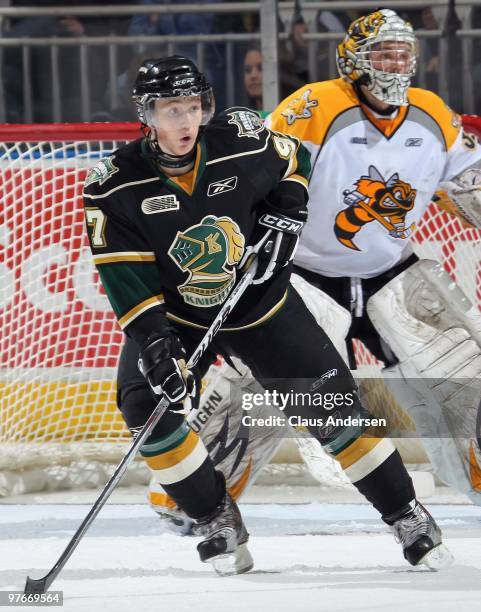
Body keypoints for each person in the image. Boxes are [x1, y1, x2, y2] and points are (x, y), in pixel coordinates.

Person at [83, 55, 452, 575]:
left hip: (262, 304)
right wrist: (157, 346)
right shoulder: (114, 185)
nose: (186, 121)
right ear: (146, 114)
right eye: (171, 110)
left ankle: (407, 515)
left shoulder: (241, 140)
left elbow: (293, 161)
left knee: (331, 407)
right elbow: (128, 281)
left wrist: (290, 204)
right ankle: (217, 519)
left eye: (192, 107)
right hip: (181, 318)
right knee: (145, 403)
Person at [266, 9, 481, 504]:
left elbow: (467, 178)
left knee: (461, 378)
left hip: (390, 271)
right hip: (307, 272)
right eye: (383, 53)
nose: (395, 63)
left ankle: (476, 476)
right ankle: (196, 498)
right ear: (354, 61)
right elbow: (264, 170)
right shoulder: (314, 106)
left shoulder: (432, 113)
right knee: (264, 385)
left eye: (403, 53)